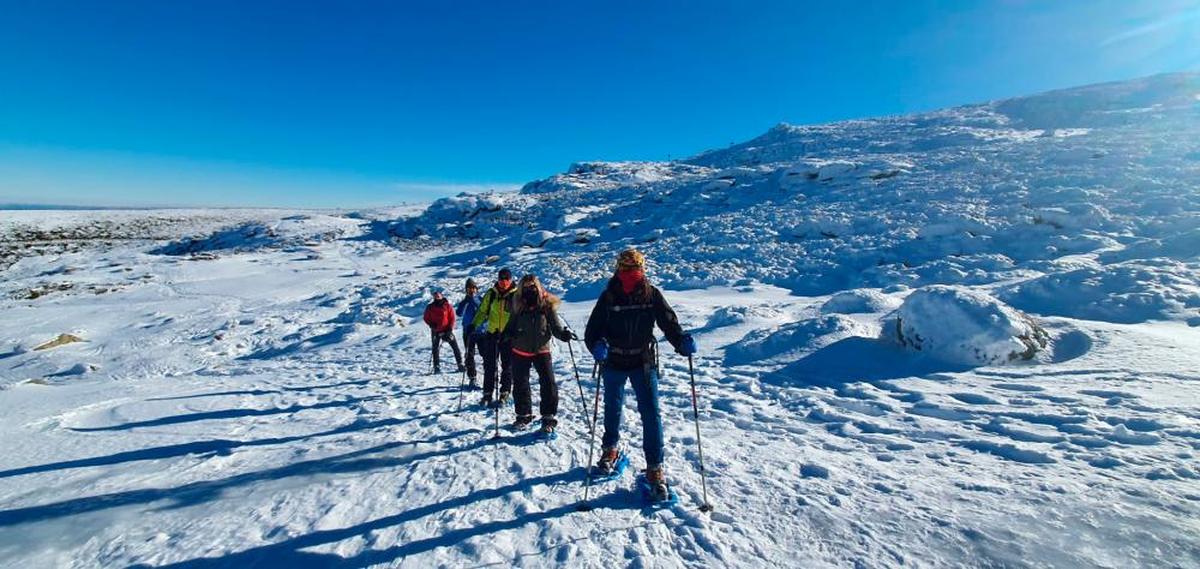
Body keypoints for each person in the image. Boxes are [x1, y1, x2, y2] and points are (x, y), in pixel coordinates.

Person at [584, 249, 695, 501]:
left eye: (634, 268)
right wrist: (597, 345)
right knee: (613, 408)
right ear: (618, 269)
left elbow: (669, 323)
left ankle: (655, 467)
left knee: (650, 413)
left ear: (642, 269)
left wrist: (681, 341)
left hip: (642, 361)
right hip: (614, 360)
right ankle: (610, 449)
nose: (631, 272)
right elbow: (592, 330)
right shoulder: (609, 296)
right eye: (626, 268)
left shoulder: (651, 294)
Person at [500, 274, 575, 435]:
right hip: (520, 349)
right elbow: (510, 325)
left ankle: (548, 417)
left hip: (542, 350)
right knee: (521, 384)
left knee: (548, 383)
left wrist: (563, 335)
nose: (530, 289)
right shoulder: (518, 305)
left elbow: (555, 327)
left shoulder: (546, 305)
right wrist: (505, 335)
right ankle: (523, 415)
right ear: (521, 288)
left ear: (538, 287)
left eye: (533, 286)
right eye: (526, 287)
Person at [472, 268, 517, 407]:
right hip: (492, 334)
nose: (503, 282)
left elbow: (521, 314)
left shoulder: (516, 295)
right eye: (501, 279)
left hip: (509, 336)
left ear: (510, 280)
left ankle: (505, 392)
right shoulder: (491, 294)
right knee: (489, 365)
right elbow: (482, 311)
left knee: (507, 366)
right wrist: (474, 325)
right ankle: (487, 394)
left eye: (506, 279)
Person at [423, 289, 464, 374]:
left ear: (441, 295)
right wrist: (431, 324)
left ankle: (460, 364)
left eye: (438, 294)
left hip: (447, 330)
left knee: (455, 347)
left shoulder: (447, 306)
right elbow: (426, 318)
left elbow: (452, 318)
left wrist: (449, 329)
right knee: (435, 349)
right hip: (435, 331)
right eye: (435, 295)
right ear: (433, 297)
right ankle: (436, 367)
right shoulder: (430, 307)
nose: (437, 296)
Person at [455, 278, 482, 389]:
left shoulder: (480, 299)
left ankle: (490, 376)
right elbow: (459, 313)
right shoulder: (464, 302)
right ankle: (472, 377)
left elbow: (485, 312)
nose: (471, 290)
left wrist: (473, 300)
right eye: (468, 288)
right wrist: (466, 301)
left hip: (481, 332)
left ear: (476, 289)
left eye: (473, 288)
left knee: (486, 354)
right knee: (469, 355)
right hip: (468, 332)